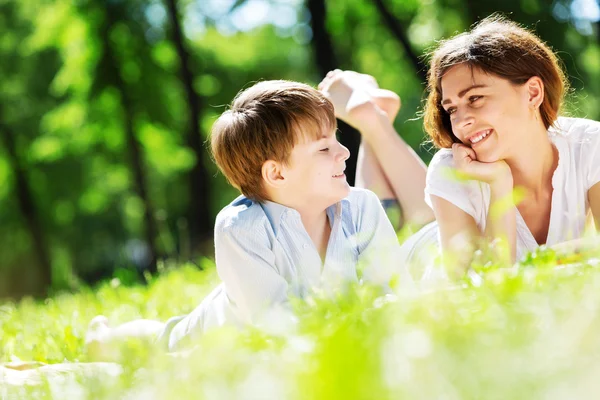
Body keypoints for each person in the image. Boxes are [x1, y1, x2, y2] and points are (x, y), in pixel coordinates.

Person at [85, 80, 413, 358]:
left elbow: (391, 290)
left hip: (330, 332)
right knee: (165, 341)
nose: (344, 152)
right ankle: (103, 338)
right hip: (221, 335)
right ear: (276, 173)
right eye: (323, 149)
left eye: (336, 140)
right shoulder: (241, 229)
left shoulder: (363, 208)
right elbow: (278, 327)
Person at [319, 16, 600, 277]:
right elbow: (486, 288)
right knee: (388, 232)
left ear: (533, 93)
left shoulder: (589, 144)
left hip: (445, 227)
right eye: (451, 108)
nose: (462, 121)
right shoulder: (451, 166)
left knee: (423, 216)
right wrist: (499, 183)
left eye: (475, 98)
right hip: (425, 262)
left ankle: (373, 119)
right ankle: (371, 122)